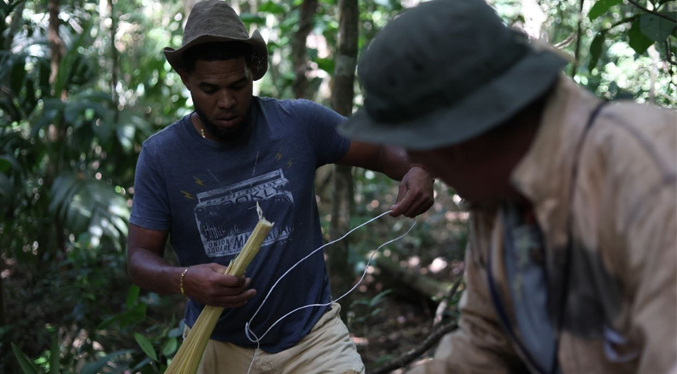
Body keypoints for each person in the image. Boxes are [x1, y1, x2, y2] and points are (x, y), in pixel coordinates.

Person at [338, 0, 677, 373]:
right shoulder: (501, 196)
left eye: (413, 142)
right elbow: (488, 341)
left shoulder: (650, 174)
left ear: (461, 136)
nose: (416, 160)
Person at [126, 1, 434, 373]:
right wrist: (185, 280)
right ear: (186, 79)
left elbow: (384, 151)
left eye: (237, 85)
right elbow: (139, 260)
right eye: (209, 89)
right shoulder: (162, 156)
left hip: (312, 339)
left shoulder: (298, 123)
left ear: (252, 74)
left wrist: (418, 167)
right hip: (216, 342)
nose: (226, 101)